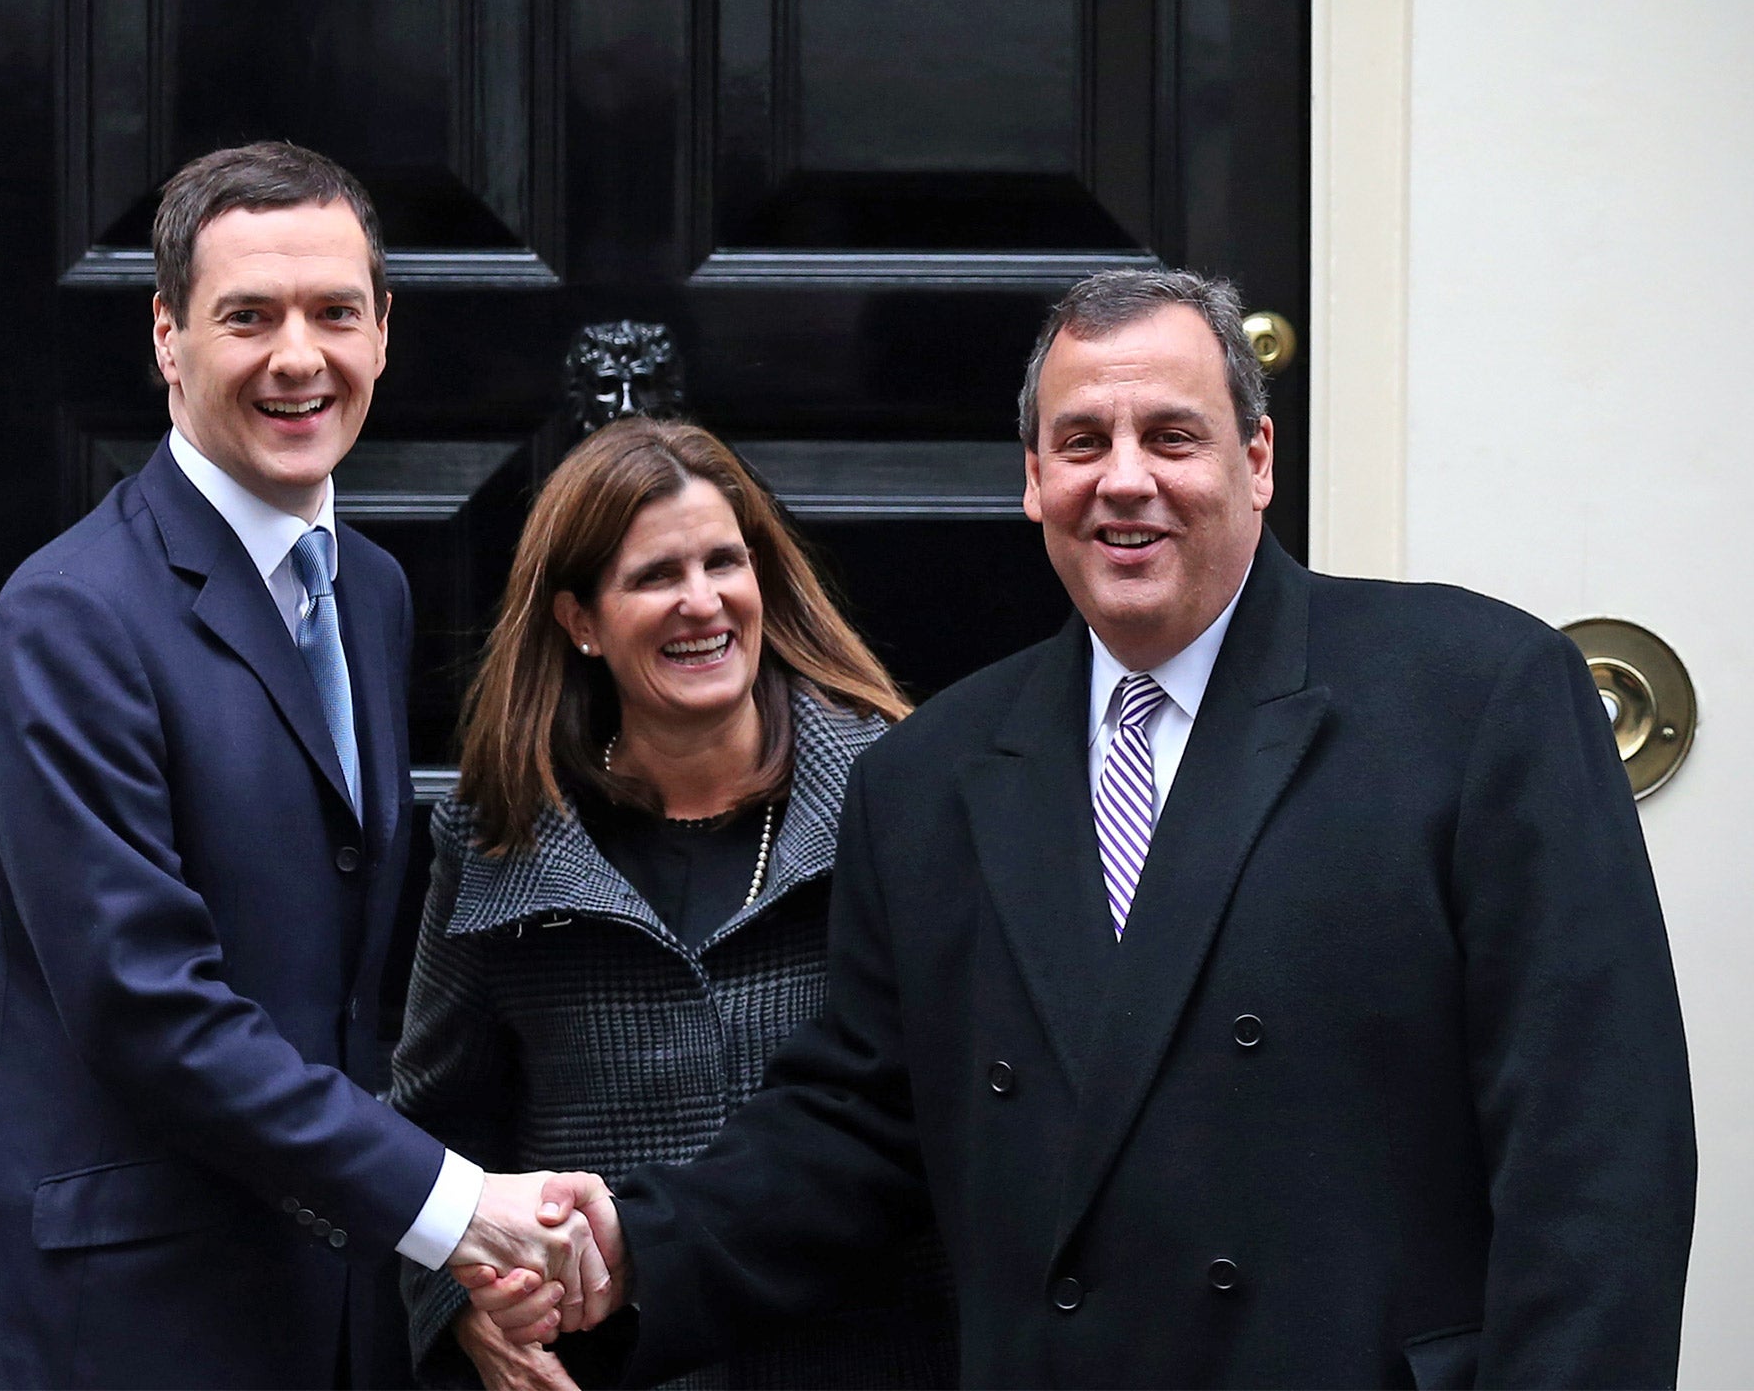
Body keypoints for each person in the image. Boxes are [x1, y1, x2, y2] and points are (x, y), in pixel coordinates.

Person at [479, 268, 1699, 1388]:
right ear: (1032, 479)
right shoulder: (929, 777)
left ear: (1258, 458)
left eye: (1172, 436)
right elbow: (853, 1127)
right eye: (1081, 442)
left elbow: (1595, 1154)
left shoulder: (1474, 696)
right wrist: (634, 1250)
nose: (1124, 478)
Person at [0, 142, 614, 1390]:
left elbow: (336, 989)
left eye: (335, 312)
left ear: (384, 331)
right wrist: (449, 1208)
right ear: (167, 337)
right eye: (246, 317)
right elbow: (146, 1006)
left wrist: (438, 1258)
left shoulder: (369, 591)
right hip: (101, 1318)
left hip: (308, 1308)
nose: (298, 357)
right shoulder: (68, 619)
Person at [393, 417, 958, 1390]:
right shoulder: (499, 838)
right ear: (579, 620)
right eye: (655, 576)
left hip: (866, 1354)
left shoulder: (895, 795)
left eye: (723, 562)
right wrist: (462, 1307)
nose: (702, 603)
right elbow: (435, 1129)